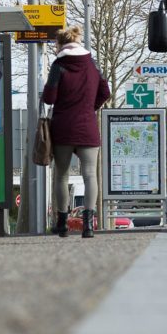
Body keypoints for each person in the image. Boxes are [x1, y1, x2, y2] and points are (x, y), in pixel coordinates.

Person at [43, 26, 111, 238]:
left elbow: (49, 98)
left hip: (63, 126)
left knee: (61, 175)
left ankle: (62, 224)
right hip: (87, 127)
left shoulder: (59, 65)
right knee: (90, 175)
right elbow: (105, 92)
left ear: (60, 44)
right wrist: (91, 107)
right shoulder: (92, 64)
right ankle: (88, 226)